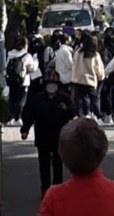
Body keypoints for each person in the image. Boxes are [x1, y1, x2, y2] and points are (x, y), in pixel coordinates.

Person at [21, 68, 74, 196]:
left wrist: (66, 110)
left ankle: (58, 189)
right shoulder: (37, 99)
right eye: (49, 84)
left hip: (58, 136)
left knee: (58, 164)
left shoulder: (64, 99)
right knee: (43, 164)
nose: (51, 87)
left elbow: (72, 114)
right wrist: (25, 130)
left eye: (53, 84)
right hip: (42, 136)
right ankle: (45, 189)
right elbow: (29, 115)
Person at [71, 32, 105, 119]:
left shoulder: (78, 52)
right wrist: (101, 77)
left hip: (77, 79)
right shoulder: (95, 54)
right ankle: (97, 115)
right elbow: (99, 69)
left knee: (79, 99)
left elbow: (74, 64)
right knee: (94, 99)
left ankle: (80, 115)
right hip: (89, 80)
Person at [5, 35, 36, 126]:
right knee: (21, 100)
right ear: (25, 45)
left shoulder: (10, 54)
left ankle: (12, 117)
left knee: (12, 99)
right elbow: (32, 68)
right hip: (23, 81)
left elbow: (7, 67)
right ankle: (17, 118)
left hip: (11, 81)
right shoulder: (27, 55)